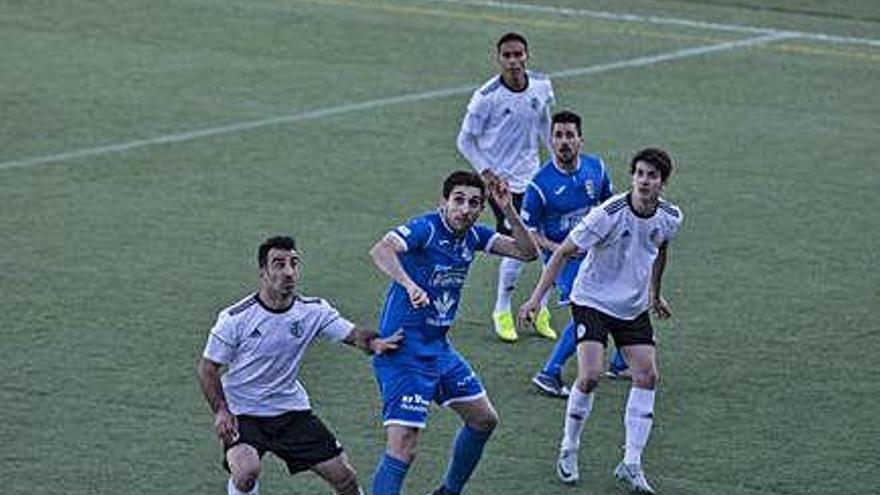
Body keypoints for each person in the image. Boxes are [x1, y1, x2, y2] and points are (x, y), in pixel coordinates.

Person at [518, 148, 683, 494]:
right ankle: (569, 448)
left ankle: (632, 463)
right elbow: (563, 251)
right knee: (590, 375)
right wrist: (536, 298)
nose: (643, 180)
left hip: (632, 306)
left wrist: (655, 293)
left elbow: (660, 247)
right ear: (632, 176)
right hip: (591, 299)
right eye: (639, 173)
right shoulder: (607, 214)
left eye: (652, 176)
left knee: (647, 376)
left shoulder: (670, 217)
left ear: (662, 183)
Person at [369, 170, 538, 495]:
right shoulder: (426, 229)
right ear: (443, 202)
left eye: (474, 203)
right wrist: (409, 284)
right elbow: (381, 250)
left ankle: (448, 492)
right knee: (404, 445)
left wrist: (509, 210)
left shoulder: (474, 235)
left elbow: (527, 252)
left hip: (438, 350)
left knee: (484, 420)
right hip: (402, 351)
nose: (465, 209)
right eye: (458, 200)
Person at [197, 235, 402, 495]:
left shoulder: (313, 311)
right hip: (244, 412)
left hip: (291, 411)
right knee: (246, 472)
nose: (288, 272)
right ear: (263, 272)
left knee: (345, 478)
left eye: (293, 264)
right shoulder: (235, 318)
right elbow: (207, 368)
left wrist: (374, 344)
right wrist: (221, 411)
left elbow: (353, 335)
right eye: (279, 264)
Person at [518, 110, 627, 399]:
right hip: (564, 261)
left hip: (595, 253)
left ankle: (619, 361)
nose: (564, 141)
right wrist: (561, 250)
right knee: (587, 311)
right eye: (558, 136)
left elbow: (609, 208)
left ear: (580, 139)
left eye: (569, 135)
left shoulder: (596, 169)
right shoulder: (539, 185)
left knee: (619, 295)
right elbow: (529, 233)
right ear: (550, 141)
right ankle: (549, 372)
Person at [457, 31, 556, 342]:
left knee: (553, 246)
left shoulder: (541, 85)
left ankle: (540, 309)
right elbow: (465, 140)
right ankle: (502, 309)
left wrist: (555, 162)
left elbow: (544, 122)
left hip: (537, 179)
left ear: (527, 55)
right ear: (498, 59)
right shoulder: (486, 97)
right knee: (518, 246)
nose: (514, 61)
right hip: (504, 186)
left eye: (519, 55)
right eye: (507, 56)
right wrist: (488, 173)